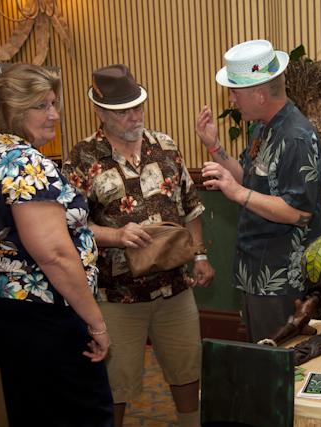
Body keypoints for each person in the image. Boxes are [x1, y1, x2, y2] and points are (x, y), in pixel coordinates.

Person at [0, 64, 113, 426]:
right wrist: (96, 323)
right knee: (83, 412)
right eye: (42, 106)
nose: (54, 115)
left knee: (32, 407)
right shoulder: (26, 162)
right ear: (14, 109)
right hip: (41, 310)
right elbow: (55, 255)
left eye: (54, 104)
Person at [62, 64, 214, 427]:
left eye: (137, 106)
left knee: (187, 369)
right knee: (115, 385)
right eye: (122, 111)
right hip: (116, 296)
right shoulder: (82, 157)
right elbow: (68, 226)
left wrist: (200, 254)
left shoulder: (166, 146)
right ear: (100, 112)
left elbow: (190, 207)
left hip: (174, 288)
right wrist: (115, 236)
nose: (134, 116)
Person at [195, 39, 321, 343]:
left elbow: (299, 213)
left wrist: (237, 193)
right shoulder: (262, 128)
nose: (231, 99)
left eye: (235, 92)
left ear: (260, 95)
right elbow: (248, 179)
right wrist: (214, 146)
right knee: (261, 356)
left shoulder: (297, 138)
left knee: (279, 359)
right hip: (255, 271)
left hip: (281, 279)